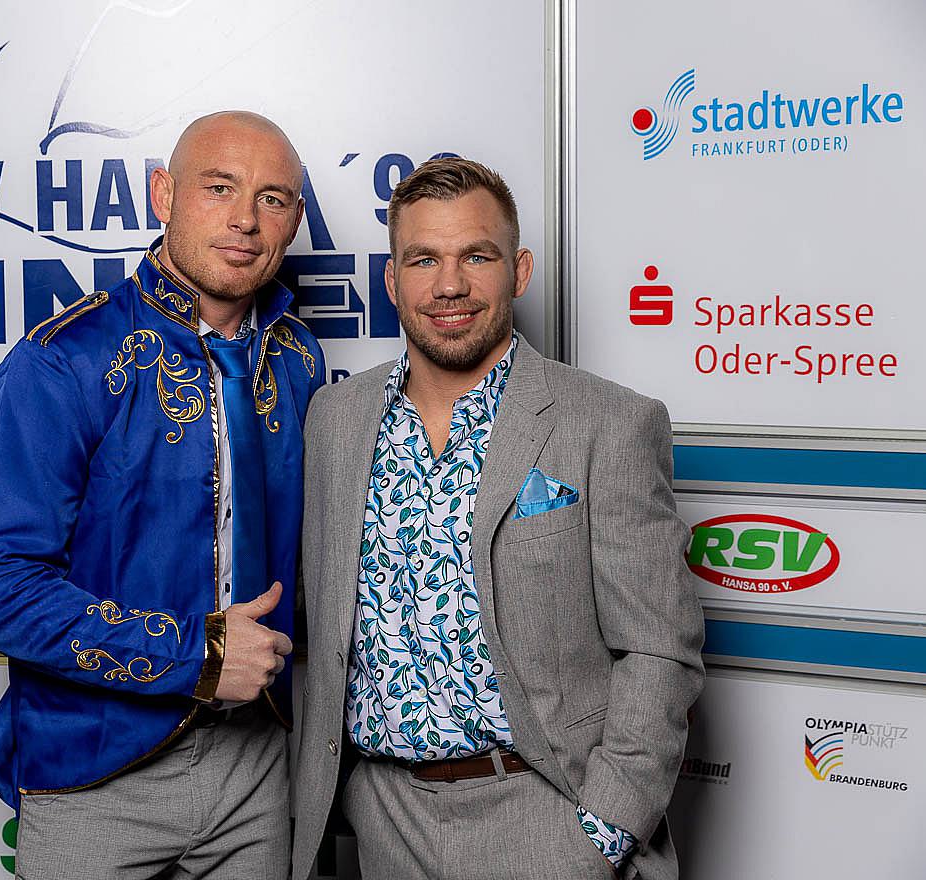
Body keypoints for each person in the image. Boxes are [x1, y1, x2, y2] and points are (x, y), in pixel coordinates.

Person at [291, 157, 704, 880]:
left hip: (546, 813)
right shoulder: (336, 418)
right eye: (423, 259)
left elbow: (659, 649)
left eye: (476, 257)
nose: (449, 285)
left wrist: (604, 830)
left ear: (519, 270)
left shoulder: (608, 421)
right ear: (391, 280)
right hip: (385, 821)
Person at [0, 110, 324, 879]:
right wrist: (197, 654)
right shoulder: (61, 362)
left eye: (273, 199)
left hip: (258, 764)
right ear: (163, 194)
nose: (245, 219)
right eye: (219, 188)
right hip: (95, 766)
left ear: (293, 221)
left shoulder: (298, 358)